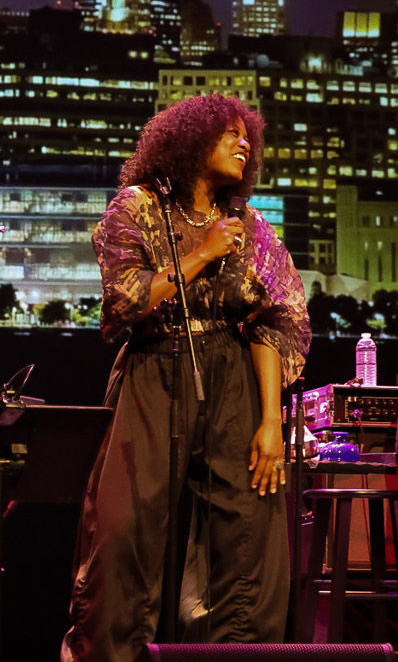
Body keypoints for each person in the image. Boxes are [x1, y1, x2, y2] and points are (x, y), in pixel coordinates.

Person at [64, 94, 310, 662]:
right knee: (125, 532)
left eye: (249, 136)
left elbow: (276, 320)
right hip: (156, 366)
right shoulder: (139, 206)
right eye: (230, 135)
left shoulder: (247, 224)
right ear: (191, 141)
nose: (244, 144)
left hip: (234, 374)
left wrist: (271, 422)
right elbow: (125, 300)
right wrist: (199, 255)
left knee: (249, 537)